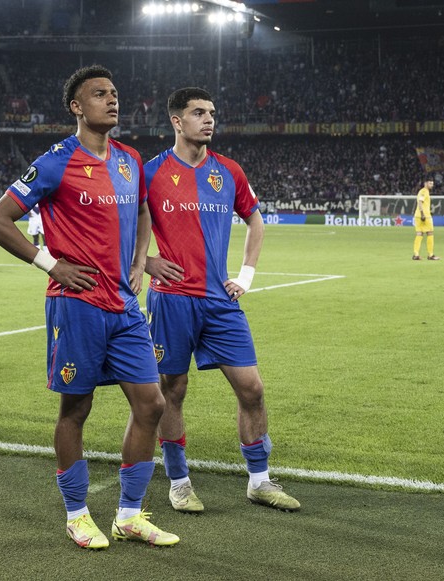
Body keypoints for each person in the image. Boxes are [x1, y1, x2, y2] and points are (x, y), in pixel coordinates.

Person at [0, 65, 179, 550]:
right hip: (77, 305)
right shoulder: (55, 161)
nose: (111, 100)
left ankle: (129, 515)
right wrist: (50, 264)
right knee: (77, 407)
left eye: (114, 93)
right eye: (99, 94)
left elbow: (142, 212)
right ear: (76, 107)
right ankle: (77, 514)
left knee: (152, 402)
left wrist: (139, 263)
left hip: (123, 303)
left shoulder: (131, 159)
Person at [144, 87, 300, 513]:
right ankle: (179, 481)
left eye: (212, 112)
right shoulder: (150, 172)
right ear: (177, 121)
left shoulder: (228, 171)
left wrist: (246, 275)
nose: (209, 119)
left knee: (252, 389)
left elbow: (255, 220)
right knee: (171, 389)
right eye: (198, 113)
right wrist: (146, 262)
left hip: (219, 301)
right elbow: (122, 224)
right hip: (171, 300)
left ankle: (260, 481)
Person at [413, 179, 440, 260]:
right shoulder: (424, 191)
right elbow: (420, 202)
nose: (432, 185)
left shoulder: (422, 191)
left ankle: (416, 254)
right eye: (430, 183)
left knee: (419, 234)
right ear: (425, 183)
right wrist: (422, 214)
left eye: (432, 184)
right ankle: (430, 255)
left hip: (418, 216)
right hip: (424, 216)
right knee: (430, 233)